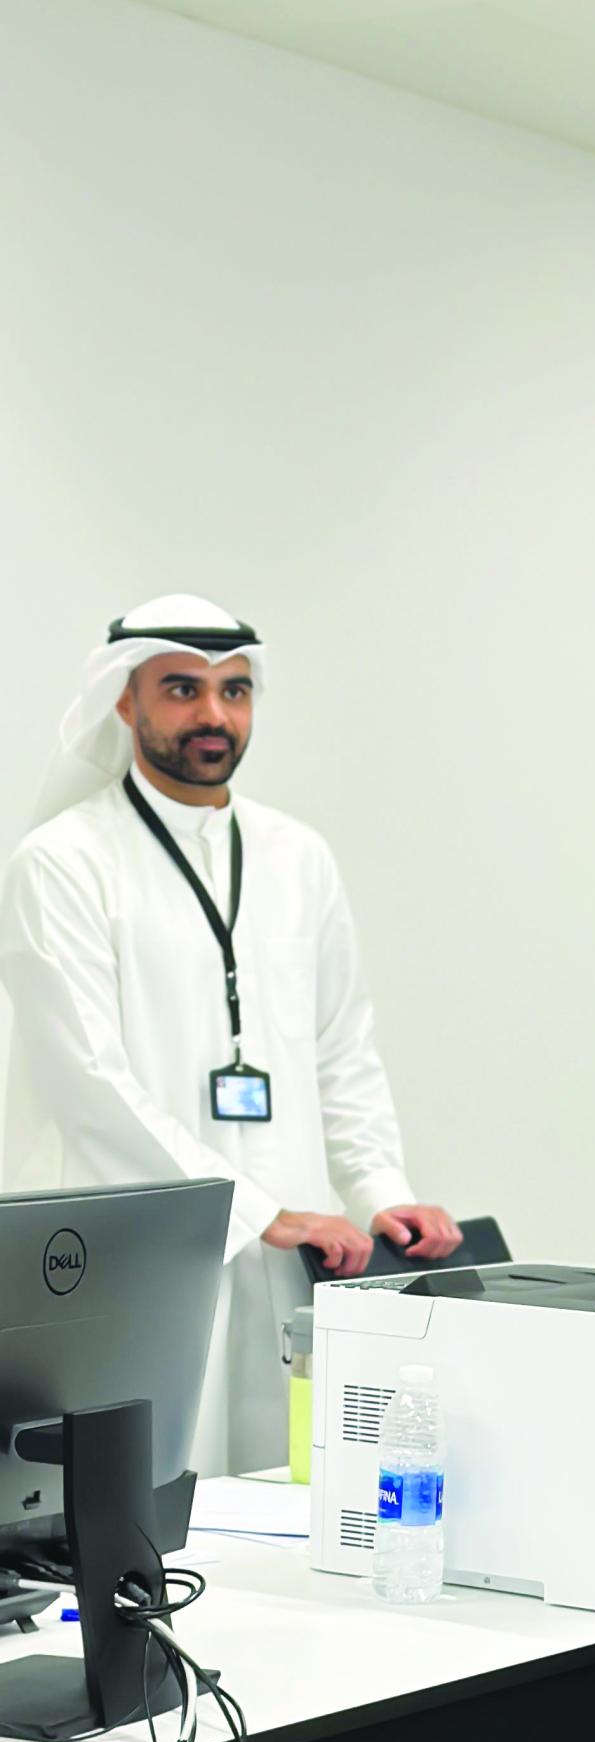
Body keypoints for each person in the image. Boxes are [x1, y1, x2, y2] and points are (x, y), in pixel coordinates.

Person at [0, 597, 460, 1475]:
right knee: (150, 1501)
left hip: (295, 1250)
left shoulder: (298, 857)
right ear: (124, 700)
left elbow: (342, 1048)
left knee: (289, 1490)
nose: (213, 714)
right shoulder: (62, 863)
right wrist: (253, 1209)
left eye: (234, 691)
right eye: (182, 689)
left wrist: (379, 1189)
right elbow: (87, 1085)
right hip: (140, 1260)